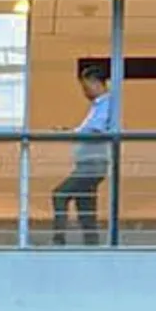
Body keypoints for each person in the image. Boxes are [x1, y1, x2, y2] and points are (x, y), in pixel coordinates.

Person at [52, 66, 114, 246]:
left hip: (92, 163)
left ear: (96, 83)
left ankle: (58, 240)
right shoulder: (98, 106)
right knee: (85, 206)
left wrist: (71, 134)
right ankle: (91, 244)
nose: (84, 92)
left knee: (60, 194)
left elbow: (95, 130)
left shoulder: (105, 104)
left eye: (86, 87)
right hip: (88, 163)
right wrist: (70, 131)